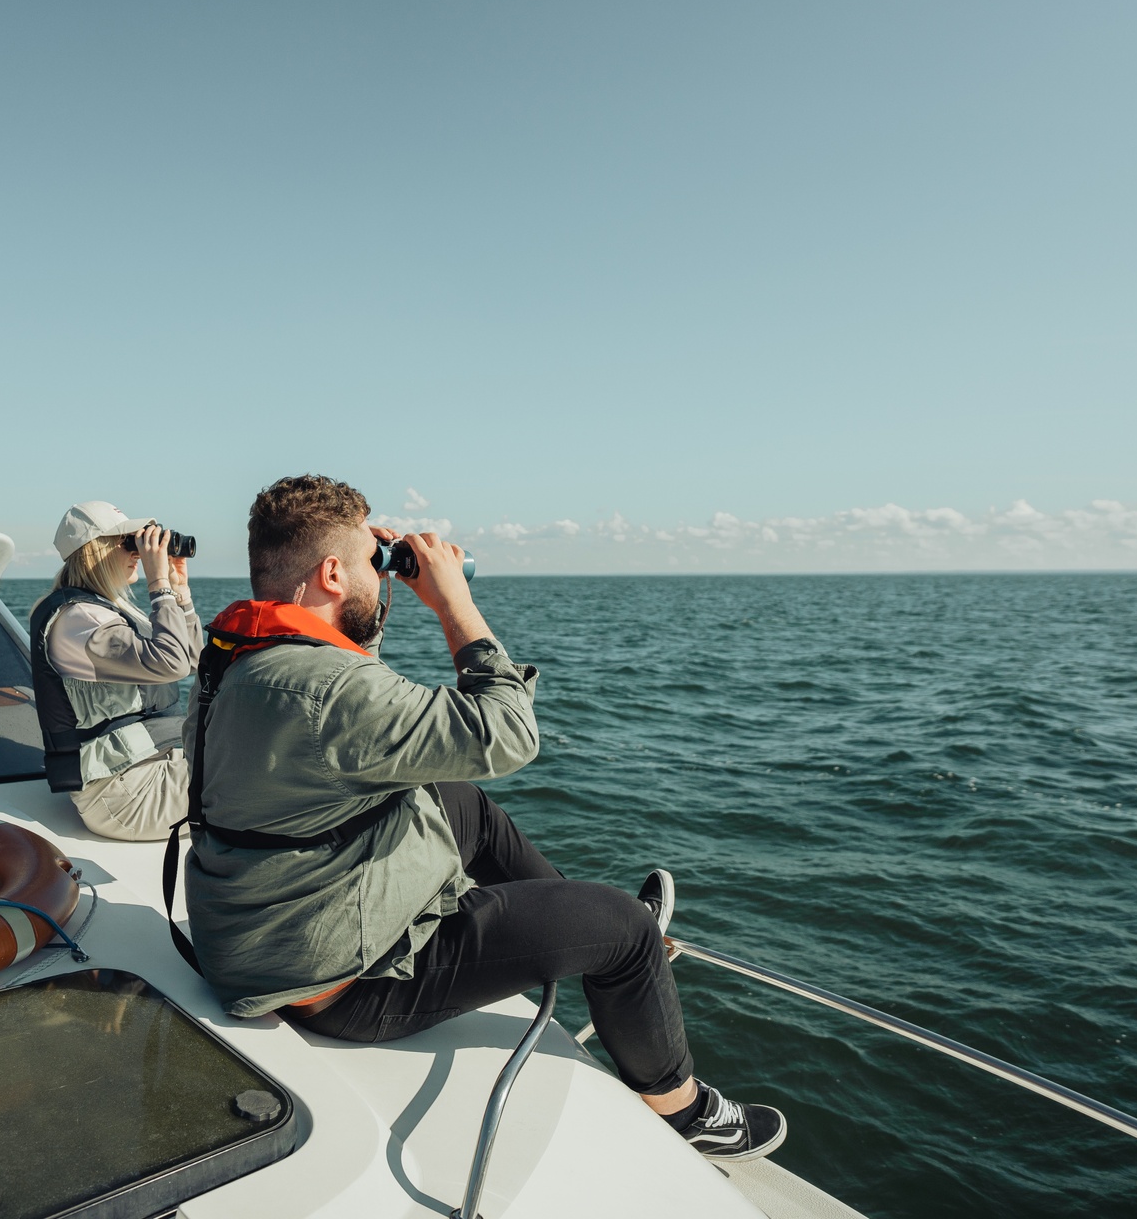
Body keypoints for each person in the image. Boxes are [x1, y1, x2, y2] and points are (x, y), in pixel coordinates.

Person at [178, 474, 786, 1160]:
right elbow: (508, 731)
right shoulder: (327, 691)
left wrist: (366, 593)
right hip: (340, 981)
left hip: (256, 934)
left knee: (455, 799)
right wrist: (452, 601)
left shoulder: (235, 661)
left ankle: (560, 914)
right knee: (623, 929)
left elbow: (351, 718)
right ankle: (686, 1111)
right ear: (331, 572)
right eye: (366, 567)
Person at [31, 501, 200, 841]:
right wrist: (159, 585)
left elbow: (194, 659)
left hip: (145, 771)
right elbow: (173, 664)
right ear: (94, 551)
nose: (138, 551)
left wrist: (180, 594)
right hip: (126, 796)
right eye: (127, 541)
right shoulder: (79, 620)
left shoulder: (107, 611)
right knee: (264, 771)